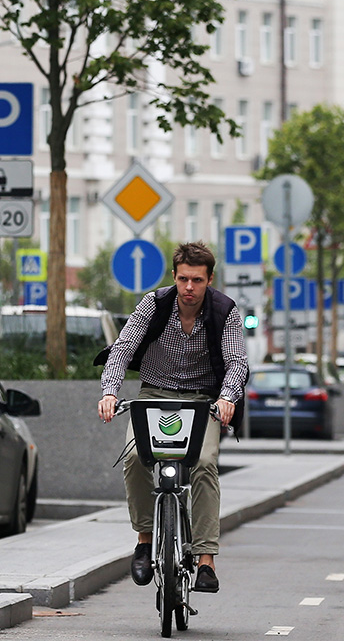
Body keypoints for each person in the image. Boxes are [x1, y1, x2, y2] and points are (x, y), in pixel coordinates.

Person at [97, 241, 248, 594]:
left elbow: (236, 361)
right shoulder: (154, 305)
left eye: (197, 280)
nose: (189, 288)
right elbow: (122, 348)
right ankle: (145, 540)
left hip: (203, 402)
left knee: (206, 462)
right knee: (135, 458)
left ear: (210, 279)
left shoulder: (226, 311)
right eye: (183, 279)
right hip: (154, 395)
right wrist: (110, 391)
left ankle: (206, 560)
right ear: (174, 277)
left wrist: (227, 398)